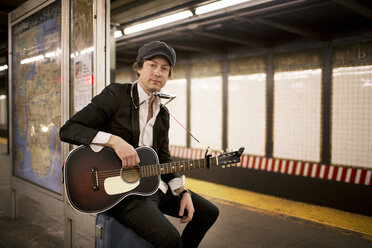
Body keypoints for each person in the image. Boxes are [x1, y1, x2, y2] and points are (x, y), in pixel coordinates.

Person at [59, 41, 219, 247]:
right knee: (170, 241)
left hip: (153, 185)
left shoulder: (163, 113)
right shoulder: (116, 95)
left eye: (165, 68)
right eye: (152, 65)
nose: (158, 73)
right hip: (122, 192)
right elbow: (69, 129)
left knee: (208, 213)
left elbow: (163, 158)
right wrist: (114, 141)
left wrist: (183, 191)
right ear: (139, 68)